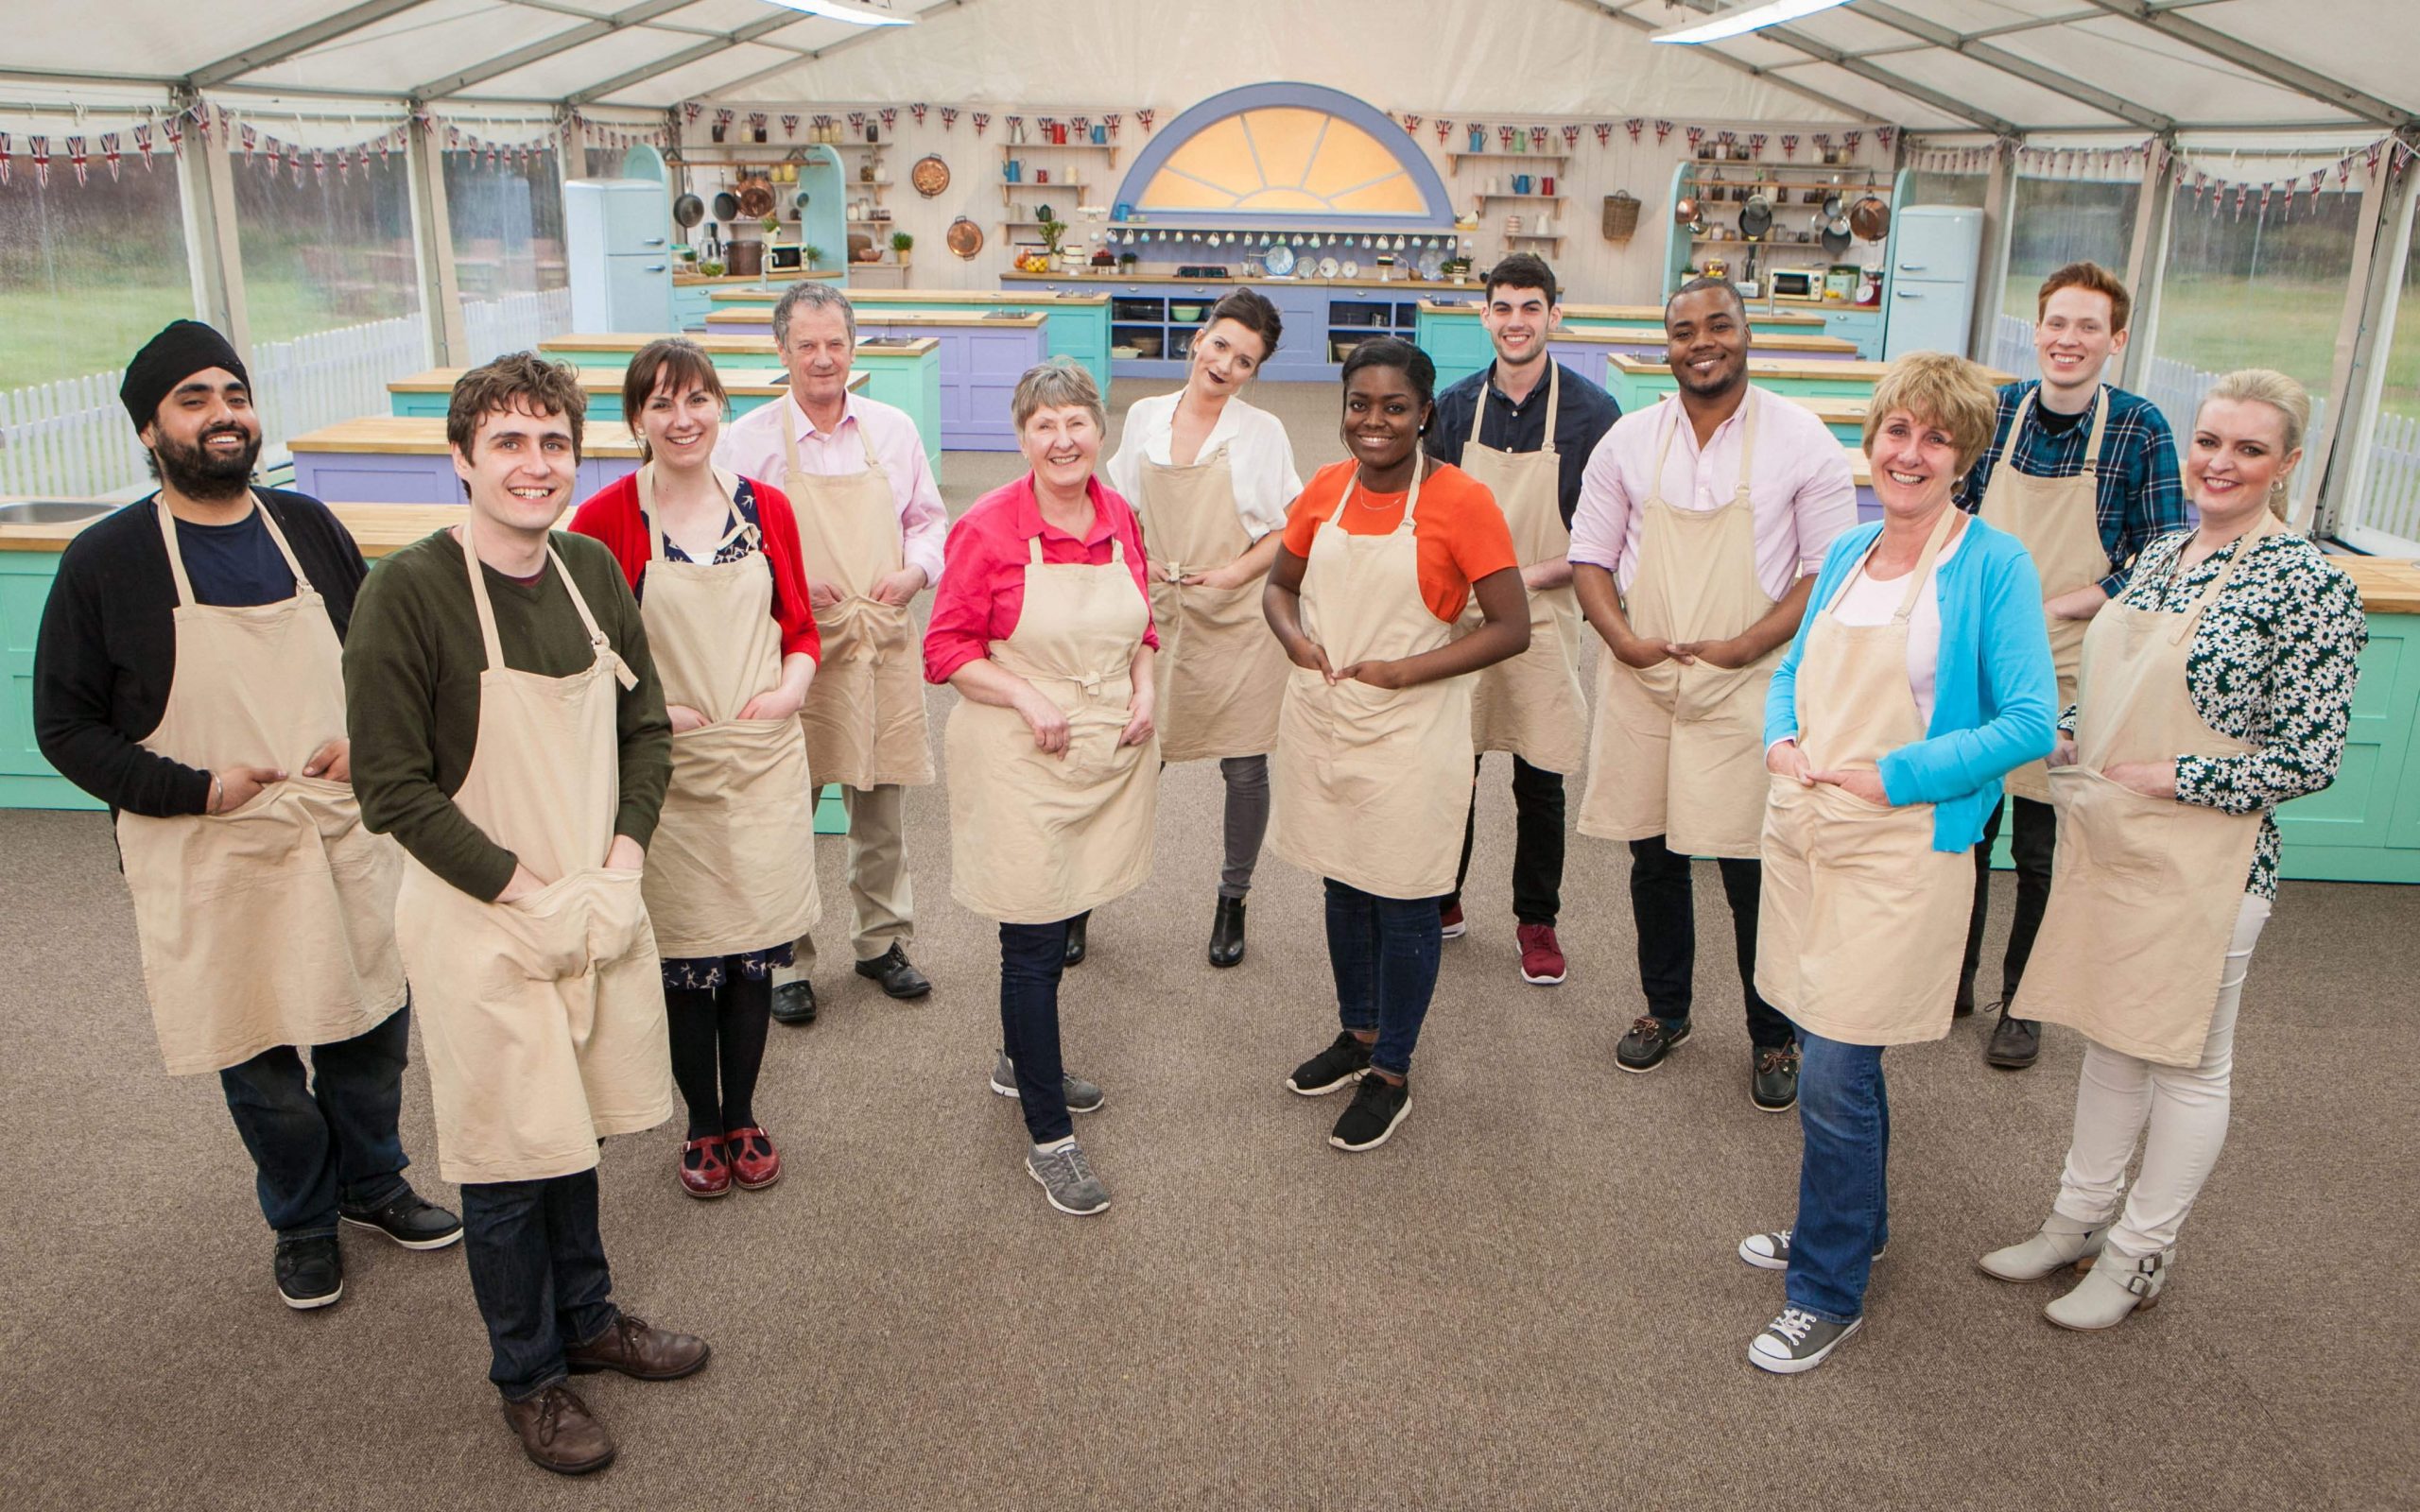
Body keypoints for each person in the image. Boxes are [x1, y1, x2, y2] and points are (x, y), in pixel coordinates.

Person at [32, 319, 458, 1312]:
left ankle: (373, 1183)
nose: (224, 413)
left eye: (234, 393)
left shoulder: (308, 530)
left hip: (337, 827)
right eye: (193, 398)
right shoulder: (107, 562)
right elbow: (64, 726)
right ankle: (303, 1221)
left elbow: (383, 669)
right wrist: (194, 787)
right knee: (258, 1050)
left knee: (370, 1025)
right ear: (148, 430)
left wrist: (374, 743)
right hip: (209, 841)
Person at [346, 353, 706, 1474]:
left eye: (552, 441)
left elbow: (645, 731)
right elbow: (390, 785)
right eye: (507, 442)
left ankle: (589, 1319)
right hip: (479, 916)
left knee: (579, 1124)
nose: (533, 464)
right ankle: (530, 1374)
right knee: (507, 1157)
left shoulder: (594, 571)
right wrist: (523, 885)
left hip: (590, 900)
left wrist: (622, 850)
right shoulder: (408, 591)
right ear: (460, 458)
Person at [1979, 370, 2364, 1329]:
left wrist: (2177, 776)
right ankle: (2075, 1218)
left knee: (2186, 1059)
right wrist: (2069, 728)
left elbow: (2310, 756)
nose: (2219, 463)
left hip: (2214, 859)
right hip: (2116, 839)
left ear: (2287, 464)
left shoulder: (2310, 582)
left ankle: (2139, 1251)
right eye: (2209, 441)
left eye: (2247, 449)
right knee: (2112, 1039)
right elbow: (2114, 680)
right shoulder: (2158, 555)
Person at [1738, 352, 2054, 1374]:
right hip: (1810, 833)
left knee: (1836, 1065)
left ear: (1961, 457)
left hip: (1906, 843)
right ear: (1870, 442)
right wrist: (1780, 736)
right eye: (1896, 432)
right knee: (1831, 1046)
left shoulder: (1992, 565)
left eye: (1935, 437)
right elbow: (1791, 670)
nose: (1908, 453)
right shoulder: (1847, 550)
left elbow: (2029, 722)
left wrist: (1901, 772)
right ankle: (1853, 1223)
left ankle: (1826, 1289)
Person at [1571, 277, 1858, 1111]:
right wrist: (1620, 640)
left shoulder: (1802, 440)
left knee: (1750, 868)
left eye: (1720, 325)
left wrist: (1746, 645)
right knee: (1652, 858)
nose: (1704, 342)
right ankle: (1666, 1010)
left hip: (1751, 685)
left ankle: (1775, 1036)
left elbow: (1826, 569)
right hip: (1644, 674)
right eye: (1686, 329)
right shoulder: (1628, 441)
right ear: (1668, 345)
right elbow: (1590, 555)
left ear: (1745, 333)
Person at [571, 339, 822, 1200]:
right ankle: (701, 1123)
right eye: (662, 404)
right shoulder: (605, 520)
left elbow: (801, 628)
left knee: (753, 954)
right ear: (635, 420)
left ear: (721, 407)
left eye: (699, 399)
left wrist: (792, 688)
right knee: (685, 959)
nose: (683, 419)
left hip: (758, 763)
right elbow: (580, 653)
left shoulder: (769, 509)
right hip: (666, 774)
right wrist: (649, 711)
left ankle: (744, 1111)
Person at [1267, 337, 1529, 1153]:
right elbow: (1280, 587)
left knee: (1405, 896)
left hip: (1413, 725)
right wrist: (1295, 642)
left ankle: (1393, 1073)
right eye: (1359, 404)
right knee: (1343, 882)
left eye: (1394, 408)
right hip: (1328, 711)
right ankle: (1360, 1034)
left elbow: (1512, 627)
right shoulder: (1323, 489)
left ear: (1424, 416)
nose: (1373, 422)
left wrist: (1408, 670)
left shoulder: (1462, 501)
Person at [925, 360, 1158, 1215]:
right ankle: (1049, 1136)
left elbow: (1144, 620)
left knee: (1064, 914)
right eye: (1044, 425)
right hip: (1018, 752)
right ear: (1022, 438)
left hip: (1098, 749)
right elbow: (945, 651)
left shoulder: (1120, 513)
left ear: (1101, 430)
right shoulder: (987, 528)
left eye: (1077, 423)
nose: (1063, 440)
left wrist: (1145, 687)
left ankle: (1021, 1060)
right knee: (1031, 940)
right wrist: (1024, 693)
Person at [1957, 262, 2187, 1070]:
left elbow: (2162, 557)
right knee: (1965, 828)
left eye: (2089, 327)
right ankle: (1953, 973)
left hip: (2074, 666)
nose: (2069, 340)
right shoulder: (2000, 410)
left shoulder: (2139, 427)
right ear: (2036, 329)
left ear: (2116, 340)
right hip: (1981, 655)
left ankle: (2025, 1002)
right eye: (2057, 323)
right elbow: (1957, 513)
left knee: (2043, 848)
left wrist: (2063, 603)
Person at [717, 281, 943, 1019]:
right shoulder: (745, 442)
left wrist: (914, 571)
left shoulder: (893, 430)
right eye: (806, 345)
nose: (822, 359)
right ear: (780, 349)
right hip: (791, 652)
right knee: (787, 807)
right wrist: (780, 585)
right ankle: (786, 960)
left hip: (878, 642)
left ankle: (881, 942)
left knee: (880, 806)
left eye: (835, 344)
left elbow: (927, 520)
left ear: (854, 348)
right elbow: (722, 548)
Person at [1423, 254, 1622, 987]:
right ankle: (1442, 895)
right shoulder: (1451, 407)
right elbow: (1428, 520)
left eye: (1530, 308)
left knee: (1540, 774)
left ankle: (1537, 919)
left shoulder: (1595, 415)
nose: (1516, 322)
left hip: (1545, 614)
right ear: (1485, 317)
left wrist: (1522, 577)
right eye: (1502, 308)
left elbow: (1607, 538)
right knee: (1455, 761)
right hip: (1464, 617)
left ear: (1553, 316)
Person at [1105, 288, 1301, 968]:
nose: (1225, 364)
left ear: (1254, 372)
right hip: (1157, 609)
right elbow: (1121, 509)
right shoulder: (1144, 416)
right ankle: (1081, 897)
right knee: (1131, 755)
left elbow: (1287, 527)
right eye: (1220, 345)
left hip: (1235, 617)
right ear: (1198, 340)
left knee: (1244, 766)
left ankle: (1232, 898)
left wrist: (1235, 574)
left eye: (1244, 360)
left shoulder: (1262, 433)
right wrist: (1142, 560)